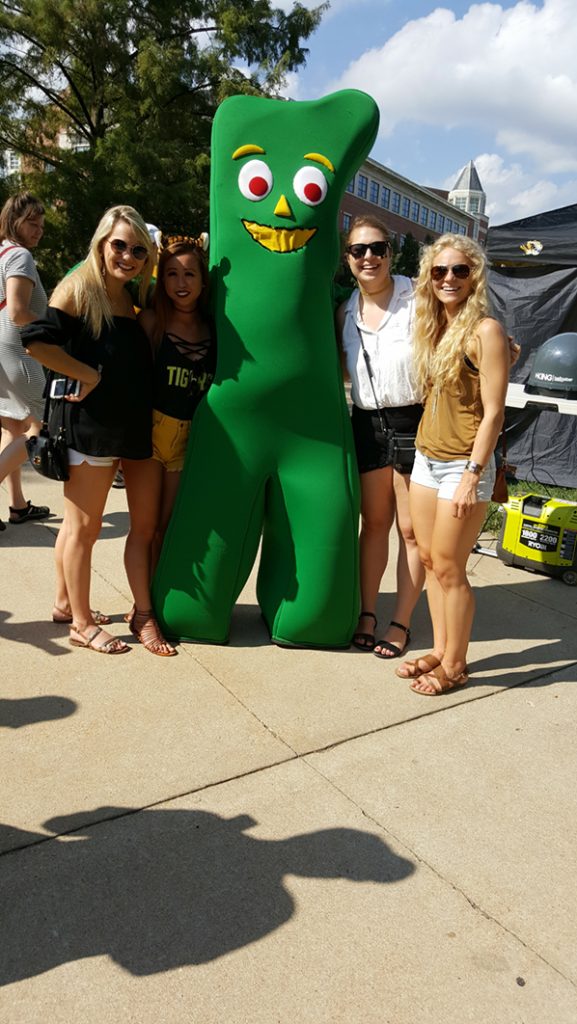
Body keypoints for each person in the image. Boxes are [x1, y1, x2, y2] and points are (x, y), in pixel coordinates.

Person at [22, 205, 174, 655]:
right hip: (88, 427)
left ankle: (66, 603)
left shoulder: (129, 296)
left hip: (126, 426)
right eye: (119, 245)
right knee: (83, 527)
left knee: (78, 527)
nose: (127, 256)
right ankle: (82, 625)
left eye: (138, 250)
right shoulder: (80, 288)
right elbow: (34, 341)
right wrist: (85, 375)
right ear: (101, 243)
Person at [399, 233, 509, 695]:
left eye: (459, 270)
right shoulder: (433, 325)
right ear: (429, 276)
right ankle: (442, 651)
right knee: (427, 558)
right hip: (426, 458)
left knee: (449, 566)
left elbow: (495, 413)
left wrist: (472, 476)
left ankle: (456, 665)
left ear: (474, 277)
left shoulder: (485, 330)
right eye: (440, 270)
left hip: (463, 465)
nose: (448, 278)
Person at [337, 215, 424, 658]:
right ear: (347, 258)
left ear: (390, 253)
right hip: (367, 423)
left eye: (377, 248)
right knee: (373, 524)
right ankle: (367, 613)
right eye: (358, 250)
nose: (368, 257)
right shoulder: (345, 311)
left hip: (414, 421)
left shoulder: (420, 296)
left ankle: (401, 621)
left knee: (411, 530)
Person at [138, 236, 214, 568]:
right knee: (145, 527)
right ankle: (143, 605)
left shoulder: (216, 328)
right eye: (171, 274)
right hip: (150, 436)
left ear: (202, 280)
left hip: (190, 441)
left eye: (189, 274)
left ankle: (159, 596)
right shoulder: (152, 322)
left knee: (168, 527)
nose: (180, 284)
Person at [0, 192, 51, 530]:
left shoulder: (2, 251)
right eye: (32, 223)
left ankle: (18, 506)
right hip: (18, 349)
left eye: (42, 225)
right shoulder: (20, 256)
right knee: (41, 426)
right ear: (14, 222)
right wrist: (55, 329)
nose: (39, 230)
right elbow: (18, 311)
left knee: (13, 426)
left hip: (2, 348)